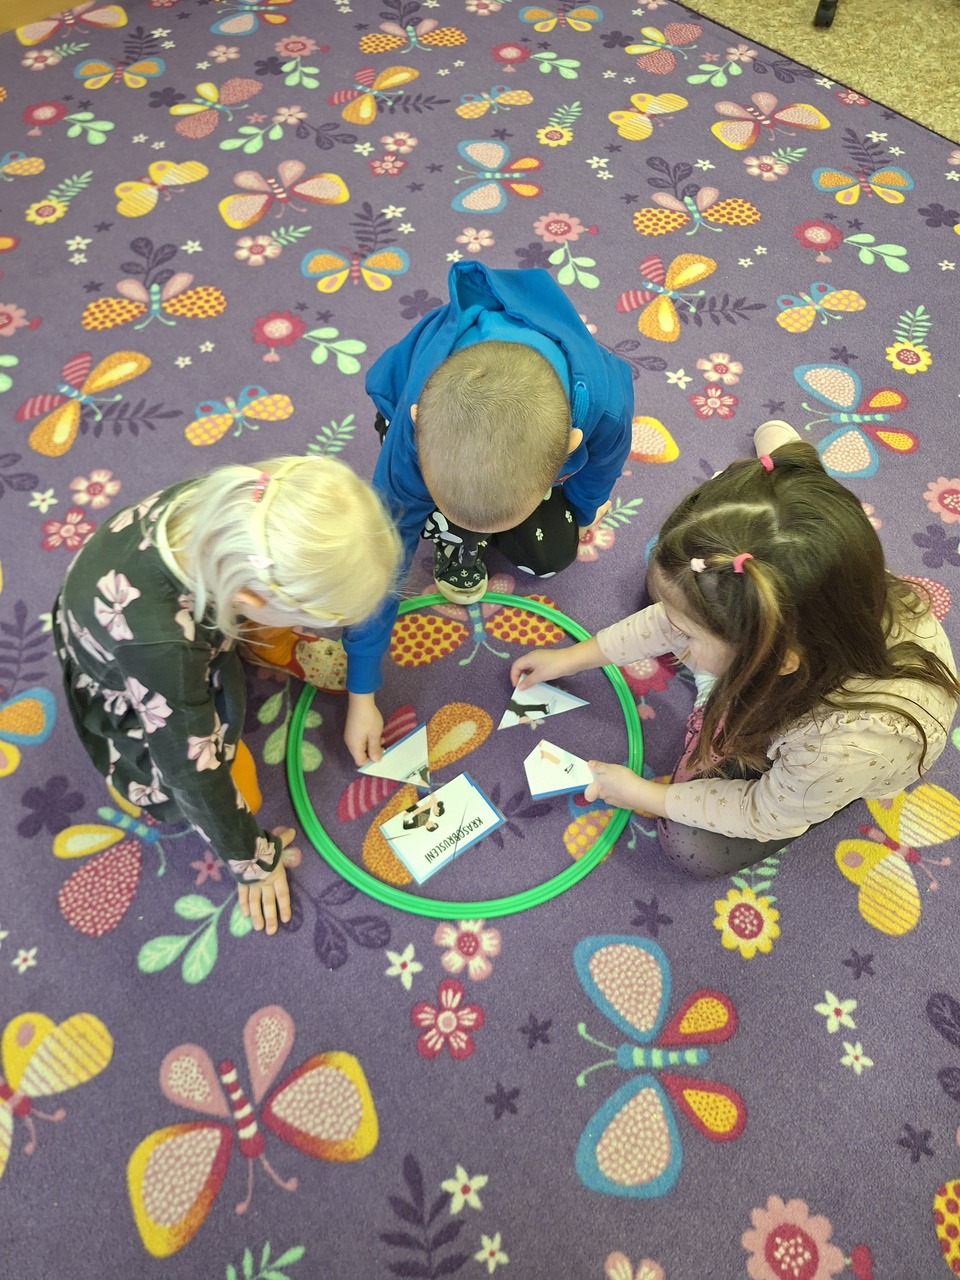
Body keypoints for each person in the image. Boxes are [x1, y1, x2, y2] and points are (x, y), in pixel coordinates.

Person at [509, 422, 960, 878]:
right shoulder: (805, 578)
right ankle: (783, 459)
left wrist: (640, 794)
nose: (673, 632)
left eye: (685, 634)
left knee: (690, 845)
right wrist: (569, 659)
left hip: (831, 761)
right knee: (681, 586)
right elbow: (673, 616)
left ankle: (725, 682)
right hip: (787, 644)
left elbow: (763, 813)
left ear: (774, 661)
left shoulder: (838, 748)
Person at [52, 455, 401, 933]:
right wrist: (250, 860)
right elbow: (191, 776)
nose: (326, 629)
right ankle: (260, 638)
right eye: (319, 621)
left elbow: (263, 588)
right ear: (247, 601)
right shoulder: (167, 655)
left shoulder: (246, 505)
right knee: (235, 787)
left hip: (186, 599)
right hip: (133, 669)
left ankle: (268, 640)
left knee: (273, 604)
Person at [341, 261, 634, 766]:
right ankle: (457, 525)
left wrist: (587, 508)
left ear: (570, 447)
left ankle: (473, 518)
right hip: (415, 415)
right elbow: (380, 558)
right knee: (409, 522)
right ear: (418, 424)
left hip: (525, 444)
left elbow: (605, 462)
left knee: (551, 555)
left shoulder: (606, 406)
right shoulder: (412, 431)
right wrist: (360, 691)